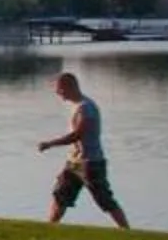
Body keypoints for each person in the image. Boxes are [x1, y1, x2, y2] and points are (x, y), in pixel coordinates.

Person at [39, 71, 130, 228]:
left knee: (104, 199)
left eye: (60, 90)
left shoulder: (86, 108)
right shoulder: (77, 106)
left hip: (91, 163)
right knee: (61, 194)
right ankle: (50, 228)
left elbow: (77, 135)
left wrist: (50, 144)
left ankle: (126, 231)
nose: (58, 93)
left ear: (70, 87)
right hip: (74, 162)